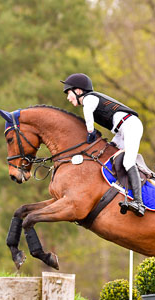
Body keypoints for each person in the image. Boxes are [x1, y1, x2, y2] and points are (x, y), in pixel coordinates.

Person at [61, 73, 145, 217]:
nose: (68, 97)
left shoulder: (89, 98)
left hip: (130, 125)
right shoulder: (89, 99)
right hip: (120, 131)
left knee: (128, 161)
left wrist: (90, 130)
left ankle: (139, 202)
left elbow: (88, 114)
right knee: (108, 154)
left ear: (79, 91)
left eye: (69, 93)